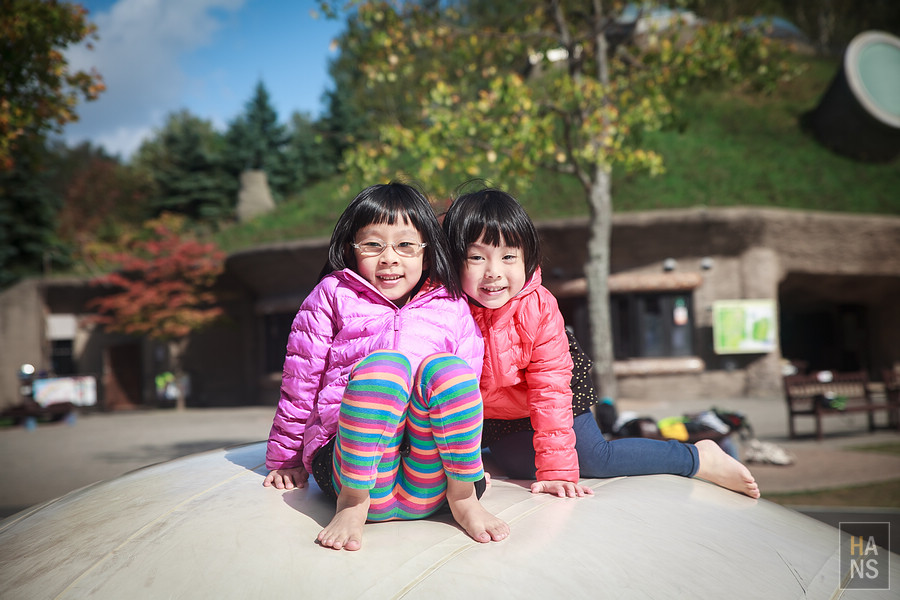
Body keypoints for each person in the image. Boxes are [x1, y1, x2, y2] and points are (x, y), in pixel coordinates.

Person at [441, 186, 760, 500]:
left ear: (528, 257)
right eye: (476, 257)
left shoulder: (538, 307)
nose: (493, 272)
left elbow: (549, 391)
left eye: (508, 256)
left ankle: (697, 457)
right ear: (453, 260)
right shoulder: (442, 308)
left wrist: (557, 472)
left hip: (553, 389)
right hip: (496, 409)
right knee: (517, 464)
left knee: (592, 459)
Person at [264, 182, 509, 551]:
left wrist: (465, 459)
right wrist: (285, 458)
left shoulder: (451, 303)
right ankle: (352, 507)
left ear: (427, 252)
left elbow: (467, 389)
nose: (390, 257)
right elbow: (302, 381)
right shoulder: (332, 296)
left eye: (406, 245)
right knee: (385, 369)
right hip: (352, 470)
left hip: (431, 478)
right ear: (351, 248)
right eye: (373, 244)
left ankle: (465, 500)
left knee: (451, 371)